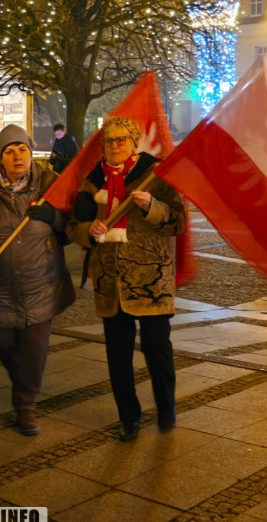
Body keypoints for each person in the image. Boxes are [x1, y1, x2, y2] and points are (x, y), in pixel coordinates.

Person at [67, 116, 186, 441]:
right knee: (117, 355)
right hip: (110, 281)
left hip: (152, 280)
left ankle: (166, 408)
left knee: (156, 348)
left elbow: (178, 222)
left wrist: (152, 207)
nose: (116, 145)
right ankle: (128, 418)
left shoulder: (156, 176)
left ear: (135, 143)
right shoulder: (92, 181)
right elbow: (73, 225)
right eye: (110, 140)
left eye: (122, 140)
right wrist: (86, 231)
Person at [0, 123, 74, 436]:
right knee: (2, 343)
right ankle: (26, 383)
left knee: (34, 348)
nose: (17, 157)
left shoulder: (50, 184)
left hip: (42, 283)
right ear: (1, 158)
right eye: (9, 151)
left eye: (22, 149)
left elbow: (71, 228)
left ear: (31, 152)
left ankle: (26, 405)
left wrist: (53, 217)